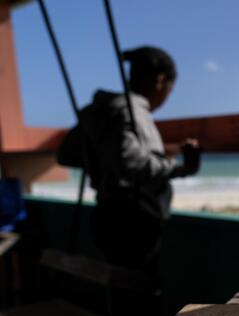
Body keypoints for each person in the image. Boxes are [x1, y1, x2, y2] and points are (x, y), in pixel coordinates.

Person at [57, 46, 200, 274]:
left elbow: (67, 154)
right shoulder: (130, 111)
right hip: (136, 222)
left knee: (119, 291)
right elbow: (130, 163)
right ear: (160, 80)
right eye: (170, 90)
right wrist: (184, 168)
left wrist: (101, 164)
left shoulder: (99, 110)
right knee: (138, 293)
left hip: (106, 213)